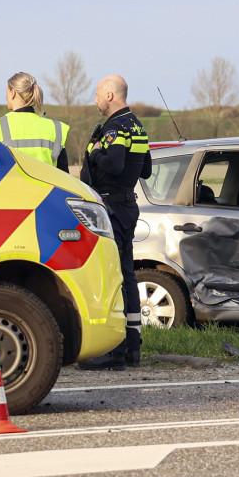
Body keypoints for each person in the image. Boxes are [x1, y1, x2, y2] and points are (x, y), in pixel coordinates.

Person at [77, 74, 152, 370]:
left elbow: (114, 163)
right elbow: (144, 169)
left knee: (113, 274)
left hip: (112, 205)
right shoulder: (137, 125)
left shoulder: (116, 127)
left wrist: (95, 154)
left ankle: (116, 349)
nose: (95, 100)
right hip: (127, 204)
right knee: (127, 273)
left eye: (97, 94)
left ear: (109, 95)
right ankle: (133, 345)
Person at [0, 72, 70, 170]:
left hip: (13, 185)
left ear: (13, 92)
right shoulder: (55, 128)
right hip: (47, 185)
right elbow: (64, 173)